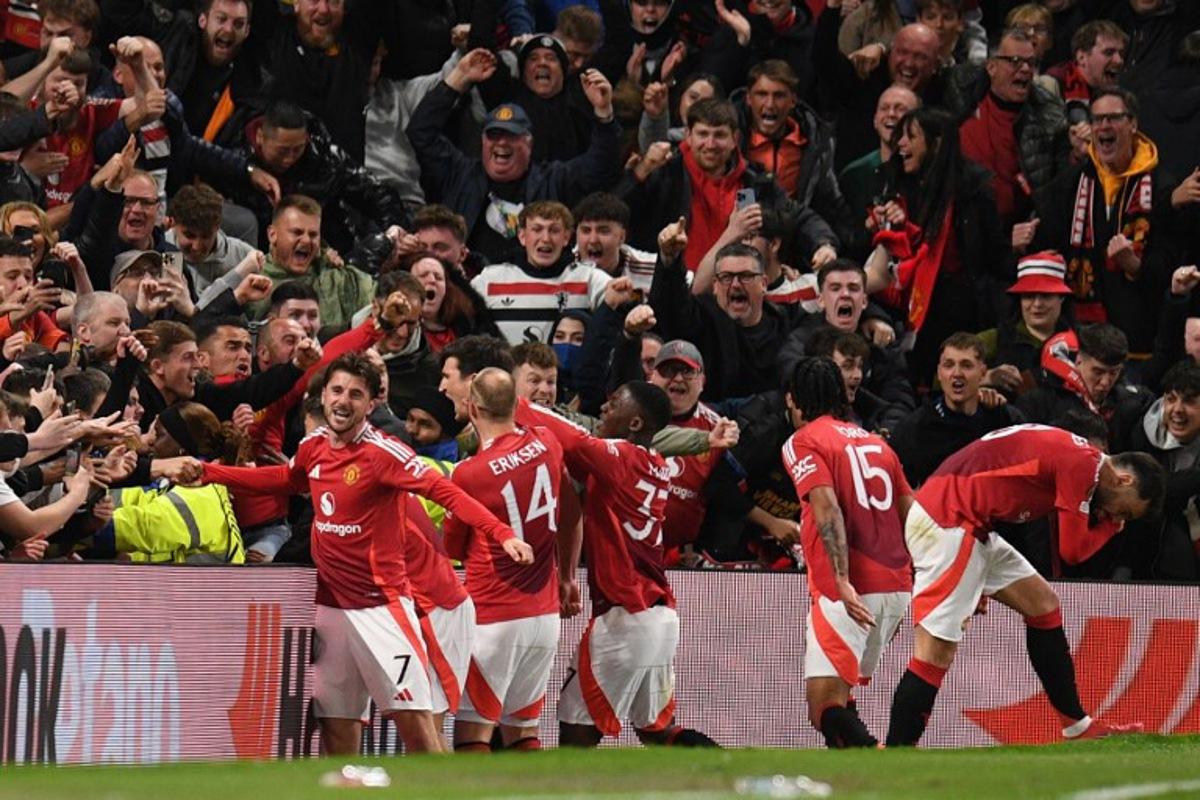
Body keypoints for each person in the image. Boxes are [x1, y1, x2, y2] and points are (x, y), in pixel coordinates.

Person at [173, 352, 530, 755]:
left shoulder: (384, 453)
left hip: (381, 609)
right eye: (337, 391)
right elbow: (288, 480)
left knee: (419, 731)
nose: (343, 401)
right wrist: (210, 473)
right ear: (323, 395)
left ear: (372, 404)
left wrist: (501, 533)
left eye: (356, 395)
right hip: (331, 608)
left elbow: (443, 490)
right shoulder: (313, 446)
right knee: (337, 727)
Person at [885, 423, 1165, 746]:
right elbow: (1072, 551)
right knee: (934, 652)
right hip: (951, 519)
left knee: (1043, 605)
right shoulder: (1084, 466)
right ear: (1124, 479)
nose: (1115, 517)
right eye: (1124, 512)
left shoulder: (1080, 456)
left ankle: (1076, 726)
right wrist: (1109, 530)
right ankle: (896, 753)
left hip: (968, 520)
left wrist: (973, 579)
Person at [513, 381, 719, 748]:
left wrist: (512, 402)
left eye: (613, 405)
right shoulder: (655, 463)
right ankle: (729, 773)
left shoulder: (620, 456)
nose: (604, 410)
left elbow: (573, 440)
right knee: (658, 731)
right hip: (657, 617)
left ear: (636, 423)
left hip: (626, 613)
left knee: (576, 731)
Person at [781, 356, 913, 747]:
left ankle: (882, 761)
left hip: (849, 588)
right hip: (896, 588)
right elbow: (913, 514)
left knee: (824, 706)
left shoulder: (802, 441)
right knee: (843, 694)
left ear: (794, 400)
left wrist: (841, 579)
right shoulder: (877, 443)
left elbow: (825, 505)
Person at [446, 368, 570, 752]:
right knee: (523, 731)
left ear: (472, 408)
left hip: (495, 615)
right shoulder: (547, 441)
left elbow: (451, 549)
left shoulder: (469, 473)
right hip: (544, 616)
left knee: (473, 731)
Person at [406, 48, 621, 263]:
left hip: (531, 287)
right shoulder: (459, 173)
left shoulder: (553, 180)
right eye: (494, 135)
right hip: (469, 283)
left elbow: (601, 163)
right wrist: (457, 79)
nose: (501, 142)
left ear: (529, 144)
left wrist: (604, 112)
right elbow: (421, 132)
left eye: (511, 136)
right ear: (482, 141)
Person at [1031, 88, 1177, 357]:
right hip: (1082, 338)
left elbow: (1172, 266)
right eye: (1097, 119)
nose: (1103, 126)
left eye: (1113, 118)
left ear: (1133, 124)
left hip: (1141, 338)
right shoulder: (1073, 182)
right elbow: (1050, 243)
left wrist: (1135, 266)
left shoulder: (1162, 187)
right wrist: (1024, 241)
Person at [890, 332, 1026, 486]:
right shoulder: (914, 428)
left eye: (966, 365)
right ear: (939, 373)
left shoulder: (1005, 420)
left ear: (982, 373)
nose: (957, 373)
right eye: (949, 365)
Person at [470, 201, 611, 344]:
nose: (546, 239)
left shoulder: (589, 278)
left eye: (554, 230)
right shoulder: (490, 279)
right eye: (537, 229)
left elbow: (623, 306)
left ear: (566, 238)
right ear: (522, 236)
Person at [246, 195, 374, 332]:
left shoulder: (336, 277)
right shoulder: (251, 284)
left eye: (313, 235)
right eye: (297, 232)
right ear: (272, 235)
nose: (307, 240)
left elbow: (378, 302)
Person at [977, 251, 1076, 398]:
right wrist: (987, 377)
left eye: (1046, 296)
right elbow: (943, 378)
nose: (1037, 304)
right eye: (1029, 296)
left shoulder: (1081, 342)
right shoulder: (993, 339)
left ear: (1062, 298)